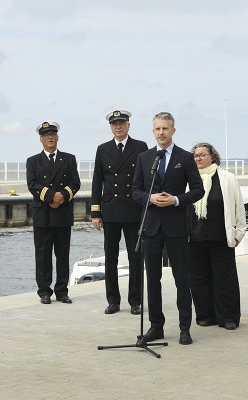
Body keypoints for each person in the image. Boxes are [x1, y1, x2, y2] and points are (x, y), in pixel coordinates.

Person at [132, 111, 204, 345]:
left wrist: (176, 200)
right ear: (152, 131)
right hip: (151, 227)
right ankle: (156, 326)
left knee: (181, 278)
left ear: (173, 130)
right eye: (157, 129)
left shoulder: (185, 157)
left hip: (176, 226)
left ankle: (185, 327)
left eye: (165, 128)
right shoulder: (144, 158)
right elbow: (135, 190)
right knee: (152, 279)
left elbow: (197, 190)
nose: (161, 133)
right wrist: (150, 198)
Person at [91, 110, 148, 315]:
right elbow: (98, 182)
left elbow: (145, 180)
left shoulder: (140, 147)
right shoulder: (103, 149)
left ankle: (135, 301)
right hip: (111, 211)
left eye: (122, 123)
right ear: (110, 127)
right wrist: (96, 213)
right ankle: (113, 301)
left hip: (133, 210)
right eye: (115, 124)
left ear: (128, 125)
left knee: (135, 257)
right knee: (111, 258)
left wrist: (146, 208)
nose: (118, 126)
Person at [188, 143, 246, 331]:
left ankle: (228, 317)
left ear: (212, 156)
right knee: (199, 279)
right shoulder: (188, 180)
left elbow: (238, 207)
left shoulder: (227, 178)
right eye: (195, 155)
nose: (198, 158)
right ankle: (205, 315)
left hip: (221, 237)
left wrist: (239, 234)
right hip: (194, 238)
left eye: (202, 155)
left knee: (224, 279)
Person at [26, 121, 81, 304]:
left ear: (57, 137)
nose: (50, 137)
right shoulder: (33, 161)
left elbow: (75, 183)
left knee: (62, 254)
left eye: (53, 134)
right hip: (43, 214)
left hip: (63, 213)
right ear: (41, 139)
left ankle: (62, 291)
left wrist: (62, 197)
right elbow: (32, 185)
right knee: (42, 254)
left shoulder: (69, 159)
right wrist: (51, 197)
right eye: (46, 135)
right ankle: (44, 291)